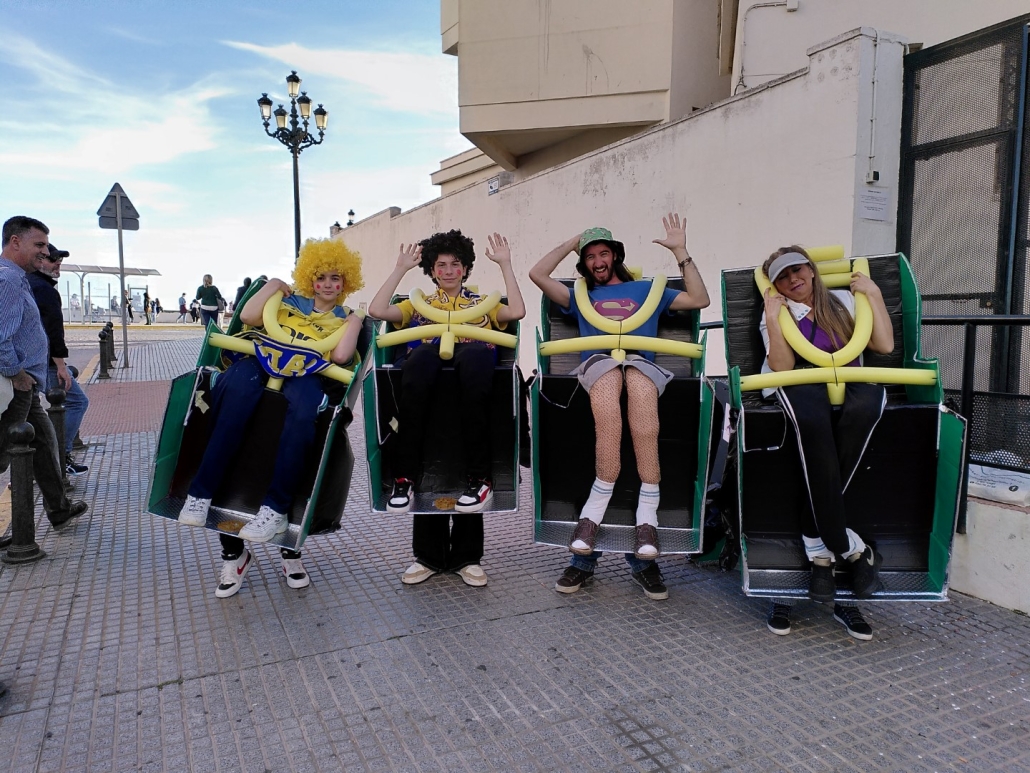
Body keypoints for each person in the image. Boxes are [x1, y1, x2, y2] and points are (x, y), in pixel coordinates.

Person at [530, 214, 710, 599]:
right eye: (590, 256)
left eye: (603, 254)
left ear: (615, 256)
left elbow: (700, 299)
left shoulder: (647, 289)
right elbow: (538, 274)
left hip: (642, 363)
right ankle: (591, 520)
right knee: (609, 413)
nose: (597, 261)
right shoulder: (581, 296)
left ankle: (647, 522)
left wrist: (680, 251)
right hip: (599, 365)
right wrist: (571, 241)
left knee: (645, 422)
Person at [178, 239, 364, 598]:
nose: (327, 284)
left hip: (307, 374)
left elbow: (341, 356)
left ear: (346, 283)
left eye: (336, 279)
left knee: (302, 419)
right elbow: (248, 318)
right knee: (234, 394)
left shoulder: (343, 318)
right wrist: (274, 286)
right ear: (310, 276)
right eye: (321, 276)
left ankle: (278, 513)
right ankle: (202, 495)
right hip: (259, 362)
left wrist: (354, 322)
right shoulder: (288, 301)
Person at [368, 230, 525, 588]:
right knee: (420, 367)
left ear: (466, 268)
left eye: (456, 264)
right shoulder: (418, 303)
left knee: (473, 371)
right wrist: (399, 270)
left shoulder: (482, 302)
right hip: (428, 397)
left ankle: (468, 555)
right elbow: (378, 311)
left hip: (471, 395)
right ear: (432, 270)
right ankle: (426, 552)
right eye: (442, 265)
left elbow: (516, 311)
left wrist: (505, 264)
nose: (449, 270)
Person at [758, 245, 893, 640]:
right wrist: (771, 314)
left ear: (812, 271)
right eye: (782, 276)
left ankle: (822, 552)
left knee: (866, 408)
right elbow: (781, 367)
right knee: (814, 420)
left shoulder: (843, 302)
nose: (792, 279)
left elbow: (882, 346)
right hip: (803, 384)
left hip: (851, 384)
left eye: (797, 270)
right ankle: (847, 546)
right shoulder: (779, 313)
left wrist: (874, 294)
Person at [0, 216, 89, 547]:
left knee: (44, 444)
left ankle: (59, 509)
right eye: (39, 245)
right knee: (4, 455)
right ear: (15, 242)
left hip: (28, 385)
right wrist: (18, 374)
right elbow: (1, 337)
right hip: (16, 384)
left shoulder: (20, 279)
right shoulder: (8, 281)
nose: (45, 251)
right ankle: (33, 530)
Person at [27, 243, 90, 476]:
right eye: (53, 260)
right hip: (45, 362)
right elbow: (53, 330)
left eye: (59, 262)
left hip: (30, 362)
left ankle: (34, 467)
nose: (57, 265)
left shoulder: (27, 284)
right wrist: (61, 365)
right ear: (40, 260)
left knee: (29, 414)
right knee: (77, 402)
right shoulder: (44, 289)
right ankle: (60, 457)